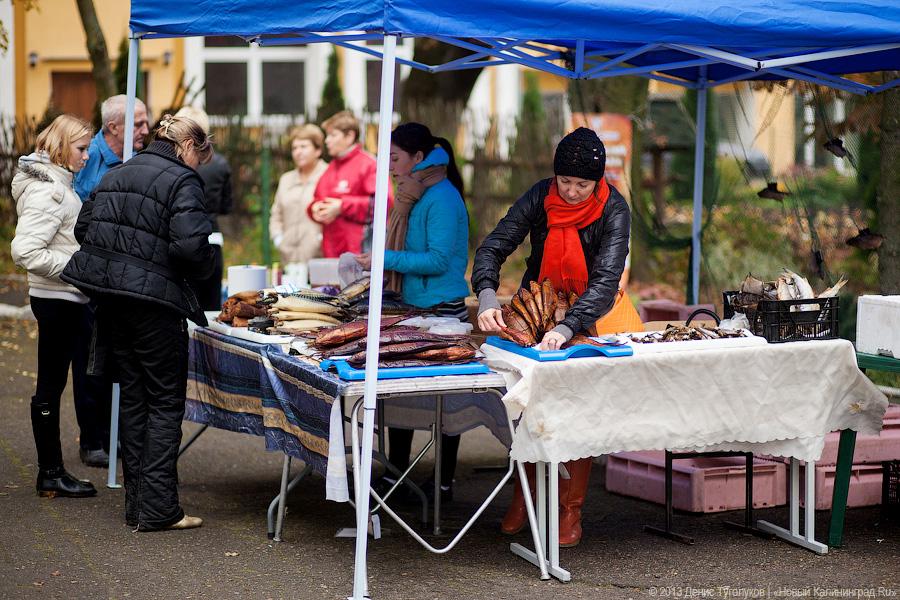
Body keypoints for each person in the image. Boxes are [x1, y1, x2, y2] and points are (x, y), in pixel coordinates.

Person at [472, 127, 640, 547]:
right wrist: (489, 297)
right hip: (540, 306)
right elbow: (493, 248)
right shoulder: (539, 196)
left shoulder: (615, 210)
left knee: (578, 410)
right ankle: (524, 497)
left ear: (597, 181)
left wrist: (569, 326)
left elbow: (604, 282)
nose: (570, 191)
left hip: (595, 316)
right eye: (564, 181)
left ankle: (570, 510)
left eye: (581, 184)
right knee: (529, 407)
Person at [62, 115, 215, 531]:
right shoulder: (183, 180)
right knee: (164, 403)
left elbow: (85, 227)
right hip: (155, 306)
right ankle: (161, 509)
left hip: (111, 301)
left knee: (132, 398)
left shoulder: (118, 172)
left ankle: (137, 507)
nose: (196, 167)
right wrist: (202, 265)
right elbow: (190, 249)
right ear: (188, 147)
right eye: (199, 158)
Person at [355, 122, 469, 501]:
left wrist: (385, 259)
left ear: (418, 158)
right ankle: (395, 473)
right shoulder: (414, 191)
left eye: (395, 157)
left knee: (446, 403)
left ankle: (444, 482)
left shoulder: (442, 198)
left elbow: (438, 260)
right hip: (414, 304)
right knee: (399, 393)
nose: (389, 165)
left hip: (444, 309)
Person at [11, 115, 98, 498]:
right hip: (59, 298)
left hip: (61, 296)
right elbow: (25, 250)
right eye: (81, 149)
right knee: (50, 383)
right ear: (62, 147)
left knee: (53, 381)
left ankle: (52, 471)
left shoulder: (58, 184)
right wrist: (77, 270)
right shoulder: (52, 192)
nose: (86, 156)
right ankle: (50, 472)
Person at [308, 110, 393, 257]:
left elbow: (383, 204)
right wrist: (314, 209)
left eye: (333, 135)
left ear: (349, 136)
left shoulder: (370, 165)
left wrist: (342, 206)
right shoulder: (330, 169)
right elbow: (317, 200)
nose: (327, 140)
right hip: (332, 254)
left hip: (362, 256)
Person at [175, 106, 233, 310]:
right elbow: (226, 206)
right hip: (212, 236)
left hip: (179, 238)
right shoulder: (220, 164)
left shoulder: (172, 164)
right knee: (210, 307)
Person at [269, 124, 328, 264]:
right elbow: (276, 214)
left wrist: (319, 240)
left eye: (303, 147)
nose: (298, 152)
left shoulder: (329, 175)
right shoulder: (286, 179)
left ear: (318, 150)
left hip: (320, 258)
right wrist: (278, 239)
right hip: (288, 258)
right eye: (294, 148)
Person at [74, 94, 150, 201]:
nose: (145, 131)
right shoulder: (85, 156)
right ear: (113, 128)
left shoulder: (138, 159)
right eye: (138, 124)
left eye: (146, 123)